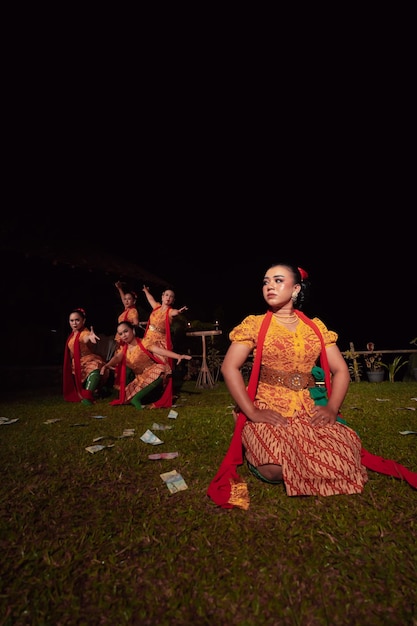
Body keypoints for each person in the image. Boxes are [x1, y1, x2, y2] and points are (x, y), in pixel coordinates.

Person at [207, 263, 369, 508]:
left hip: (307, 407)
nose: (269, 285)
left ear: (295, 288)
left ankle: (304, 459)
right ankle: (251, 439)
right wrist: (252, 411)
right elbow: (230, 367)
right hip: (268, 406)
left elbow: (340, 370)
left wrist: (332, 408)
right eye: (265, 281)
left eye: (278, 280)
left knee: (347, 455)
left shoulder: (315, 327)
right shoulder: (255, 324)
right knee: (274, 469)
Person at [101, 321, 192, 409]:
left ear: (132, 330)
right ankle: (141, 397)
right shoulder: (123, 350)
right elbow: (116, 358)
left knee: (161, 368)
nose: (124, 335)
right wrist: (107, 365)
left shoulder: (144, 342)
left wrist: (178, 356)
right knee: (124, 397)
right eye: (120, 334)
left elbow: (160, 351)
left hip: (153, 375)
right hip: (139, 379)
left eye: (126, 331)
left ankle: (137, 399)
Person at [141, 285, 188, 408]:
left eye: (171, 296)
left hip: (160, 342)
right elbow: (150, 299)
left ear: (173, 300)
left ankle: (163, 394)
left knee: (164, 368)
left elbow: (175, 312)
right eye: (166, 295)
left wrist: (179, 311)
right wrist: (146, 291)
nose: (168, 298)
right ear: (162, 297)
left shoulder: (170, 312)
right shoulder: (156, 307)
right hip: (147, 339)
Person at [63, 308, 108, 405]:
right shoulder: (71, 336)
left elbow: (85, 338)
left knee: (95, 367)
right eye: (72, 320)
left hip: (88, 360)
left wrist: (90, 337)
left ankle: (87, 396)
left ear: (83, 321)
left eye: (77, 320)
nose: (74, 323)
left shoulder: (84, 332)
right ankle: (98, 390)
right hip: (76, 363)